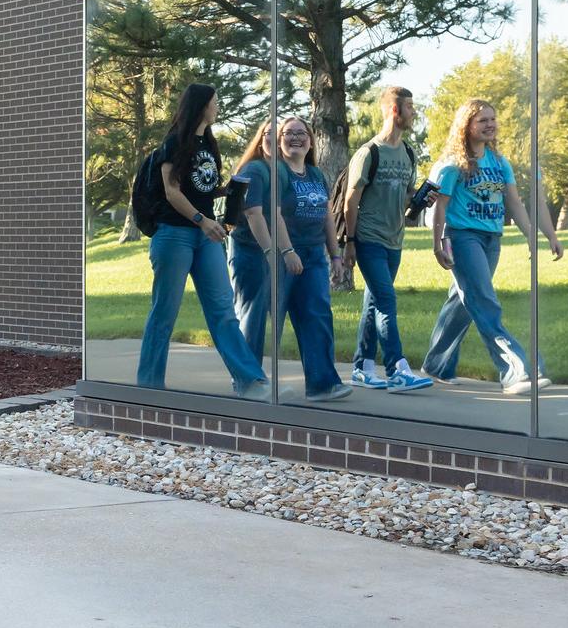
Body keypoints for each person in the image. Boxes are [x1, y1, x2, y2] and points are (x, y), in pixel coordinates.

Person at [135, 83, 269, 397]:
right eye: (215, 101)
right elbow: (172, 192)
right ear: (202, 105)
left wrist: (228, 192)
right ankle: (149, 386)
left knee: (224, 311)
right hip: (174, 236)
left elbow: (201, 190)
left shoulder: (208, 145)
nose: (218, 106)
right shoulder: (174, 144)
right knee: (164, 313)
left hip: (206, 237)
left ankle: (249, 381)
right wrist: (201, 220)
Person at [422, 98, 562, 393]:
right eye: (482, 120)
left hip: (491, 239)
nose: (490, 125)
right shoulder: (453, 165)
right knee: (484, 301)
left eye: (492, 119)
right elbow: (440, 208)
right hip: (462, 237)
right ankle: (516, 370)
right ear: (467, 126)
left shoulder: (499, 163)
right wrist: (438, 245)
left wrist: (535, 237)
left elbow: (514, 202)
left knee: (463, 302)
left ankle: (436, 365)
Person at [231, 116, 350, 401]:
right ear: (277, 140)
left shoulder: (316, 174)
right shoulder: (272, 172)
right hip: (280, 254)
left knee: (317, 314)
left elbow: (326, 217)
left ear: (311, 140)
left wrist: (335, 255)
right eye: (288, 133)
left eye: (302, 133)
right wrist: (285, 252)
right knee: (260, 317)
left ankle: (322, 383)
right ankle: (249, 381)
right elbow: (272, 215)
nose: (295, 137)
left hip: (312, 255)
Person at [344, 86, 434, 393]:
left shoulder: (408, 152)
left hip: (395, 238)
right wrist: (350, 242)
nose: (413, 112)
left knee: (373, 303)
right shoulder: (369, 152)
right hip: (369, 238)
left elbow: (407, 195)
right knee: (386, 301)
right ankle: (397, 369)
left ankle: (362, 367)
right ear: (394, 111)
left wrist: (420, 199)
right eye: (409, 107)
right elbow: (350, 202)